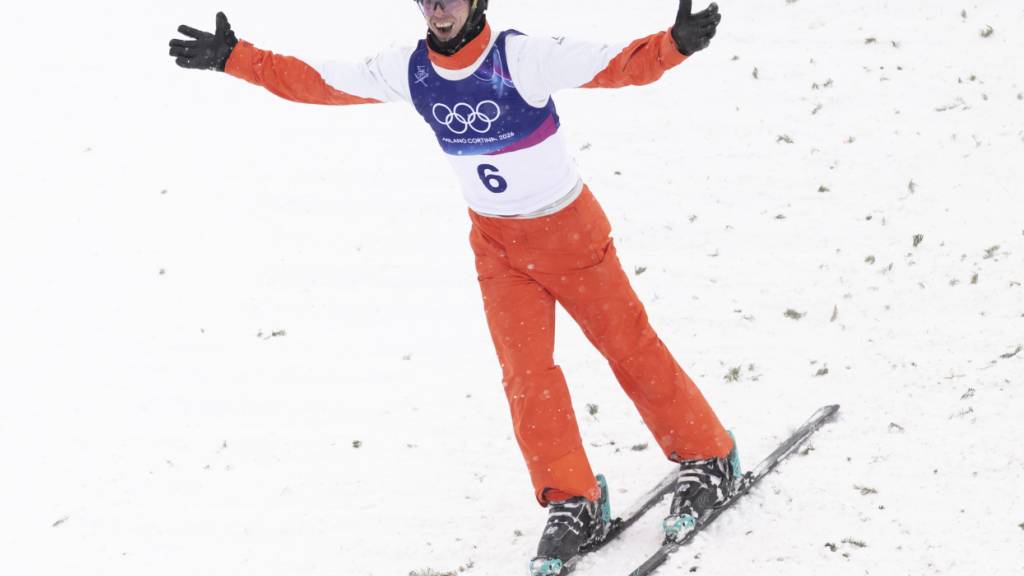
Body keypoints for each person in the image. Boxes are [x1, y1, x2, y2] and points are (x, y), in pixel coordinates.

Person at [169, 2, 736, 574]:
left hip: (568, 234)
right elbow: (320, 81)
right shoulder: (412, 69)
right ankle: (573, 500)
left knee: (628, 346)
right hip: (498, 247)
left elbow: (615, 65)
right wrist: (234, 58)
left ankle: (709, 455)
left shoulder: (522, 58)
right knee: (526, 375)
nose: (439, 10)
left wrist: (675, 44)